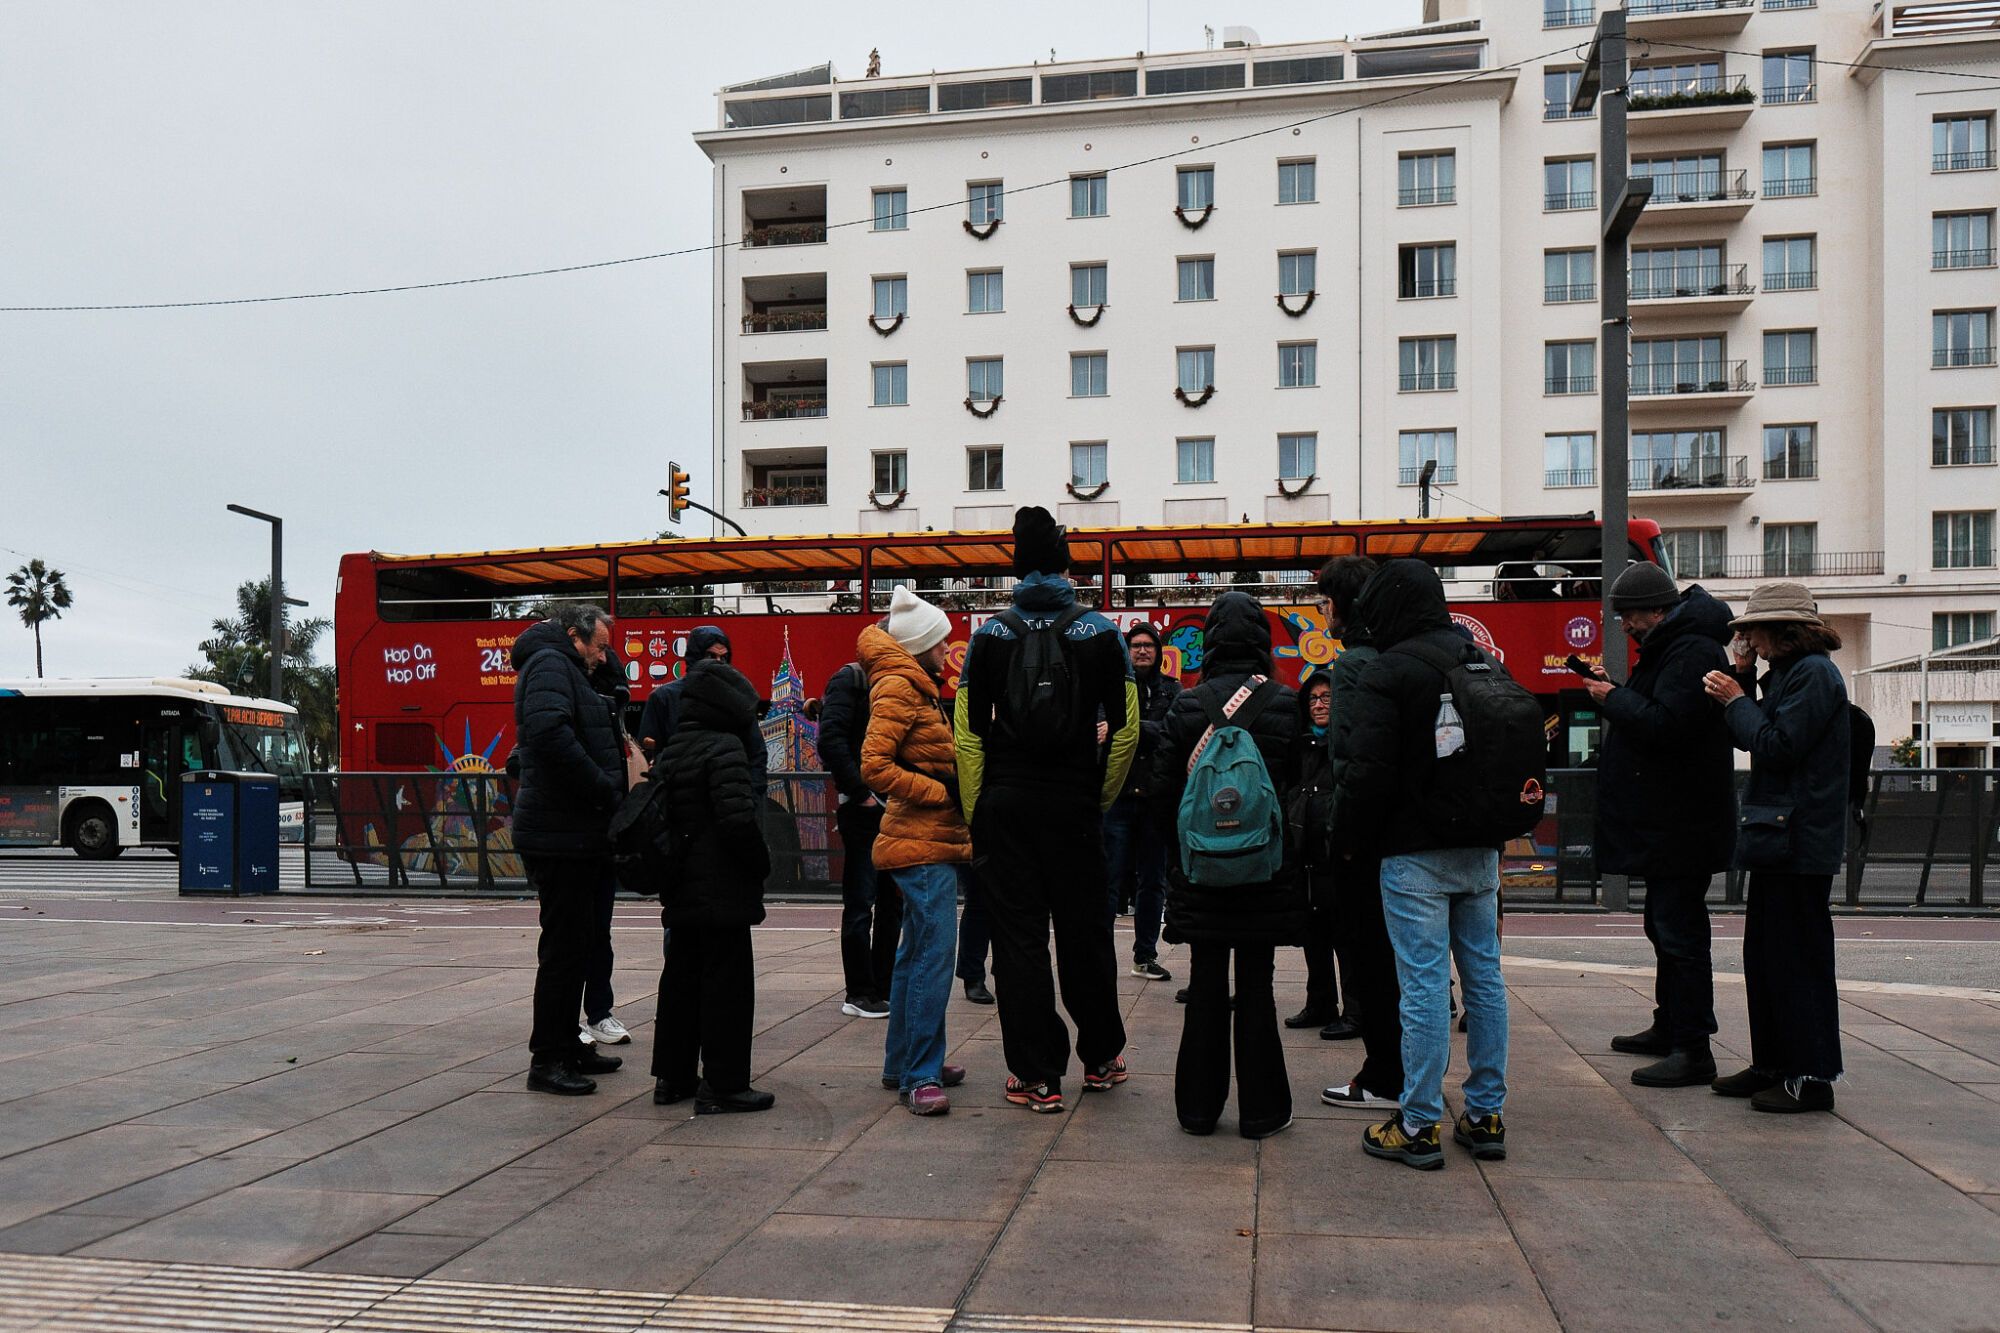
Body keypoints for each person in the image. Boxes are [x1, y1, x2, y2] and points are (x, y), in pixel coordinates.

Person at [954, 506, 1138, 1114]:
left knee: (1019, 940)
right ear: (1065, 567)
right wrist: (1098, 794)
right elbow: (1128, 729)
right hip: (1075, 804)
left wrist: (981, 808)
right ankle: (1103, 1057)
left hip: (1006, 804)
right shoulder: (1103, 632)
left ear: (1015, 566)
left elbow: (967, 734)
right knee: (1086, 934)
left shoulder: (988, 636)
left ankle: (1035, 1075)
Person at [1334, 558, 1509, 1170]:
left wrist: (1349, 840)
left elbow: (1369, 772)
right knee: (1484, 979)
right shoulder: (1482, 660)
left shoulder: (1390, 669)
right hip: (1482, 848)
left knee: (1424, 986)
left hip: (1414, 853)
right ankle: (1486, 1113)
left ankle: (1418, 1123)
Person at [1152, 591, 1305, 1138]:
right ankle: (1262, 1112)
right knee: (1257, 988)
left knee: (1207, 983)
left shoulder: (1189, 706)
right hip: (1265, 872)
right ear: (1262, 641)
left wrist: (1183, 859)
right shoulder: (1286, 703)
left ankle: (1197, 1110)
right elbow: (1297, 790)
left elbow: (1166, 791)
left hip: (1202, 874)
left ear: (1211, 641)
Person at [1584, 563, 1736, 1088]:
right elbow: (1661, 711)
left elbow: (1668, 726)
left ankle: (1693, 1048)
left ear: (1657, 609)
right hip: (1672, 823)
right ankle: (1669, 1026)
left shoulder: (1691, 650)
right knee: (1664, 927)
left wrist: (1613, 699)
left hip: (1681, 824)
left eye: (1628, 615)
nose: (1624, 626)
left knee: (1679, 934)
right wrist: (1619, 691)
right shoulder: (1674, 647)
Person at [1702, 583, 1849, 1114]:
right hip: (1780, 834)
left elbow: (1775, 745)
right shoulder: (1790, 674)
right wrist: (1742, 680)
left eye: (1753, 632)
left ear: (1783, 631)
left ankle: (1809, 1076)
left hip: (1800, 838)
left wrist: (1738, 699)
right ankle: (1773, 1063)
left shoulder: (1814, 674)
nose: (1749, 640)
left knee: (1797, 960)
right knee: (1765, 957)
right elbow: (1754, 735)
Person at [860, 588, 973, 1116]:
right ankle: (920, 1075)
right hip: (922, 841)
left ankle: (903, 1061)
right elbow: (875, 767)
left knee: (912, 956)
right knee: (933, 957)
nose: (947, 648)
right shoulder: (900, 688)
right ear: (921, 644)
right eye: (941, 640)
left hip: (923, 840)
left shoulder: (913, 687)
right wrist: (940, 792)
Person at [509, 606, 628, 1096]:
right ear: (575, 635)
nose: (604, 657)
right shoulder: (551, 666)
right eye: (599, 647)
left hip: (579, 834)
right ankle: (548, 1058)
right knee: (562, 951)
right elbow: (550, 735)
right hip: (560, 836)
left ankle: (569, 1044)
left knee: (580, 945)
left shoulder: (570, 668)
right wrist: (603, 788)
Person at [650, 658, 776, 1115]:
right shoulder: (725, 748)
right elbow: (738, 819)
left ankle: (673, 1076)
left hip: (681, 885)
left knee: (681, 981)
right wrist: (760, 863)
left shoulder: (674, 748)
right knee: (728, 986)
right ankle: (724, 1084)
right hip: (721, 887)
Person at [1314, 556, 1403, 1107]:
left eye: (1325, 602)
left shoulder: (1351, 667)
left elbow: (1348, 761)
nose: (1322, 611)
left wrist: (1341, 841)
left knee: (1368, 959)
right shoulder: (1402, 655)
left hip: (1366, 838)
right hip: (1411, 834)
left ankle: (1381, 1075)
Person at [820, 655, 899, 1019]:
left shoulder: (892, 679)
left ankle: (882, 987)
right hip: (864, 807)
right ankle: (860, 991)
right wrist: (861, 793)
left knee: (891, 903)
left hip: (889, 806)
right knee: (861, 901)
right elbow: (831, 740)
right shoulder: (850, 678)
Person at [1103, 620, 1181, 982]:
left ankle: (1145, 956)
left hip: (1155, 799)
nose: (1143, 651)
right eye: (1136, 645)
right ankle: (1098, 953)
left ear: (1159, 651)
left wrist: (1126, 729)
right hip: (1117, 796)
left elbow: (1173, 735)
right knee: (1108, 878)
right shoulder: (1109, 690)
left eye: (1149, 645)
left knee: (1153, 881)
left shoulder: (1173, 691)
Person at [1285, 673, 1353, 1036]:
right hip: (1306, 856)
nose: (1319, 704)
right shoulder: (1302, 746)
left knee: (1345, 936)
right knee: (1314, 934)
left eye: (1326, 697)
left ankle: (1356, 1011)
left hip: (1338, 855)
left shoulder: (1346, 745)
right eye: (1312, 699)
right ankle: (1320, 1003)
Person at [581, 648, 639, 1049]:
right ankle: (586, 1017)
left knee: (599, 931)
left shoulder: (614, 724)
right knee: (575, 935)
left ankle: (598, 1013)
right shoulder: (577, 712)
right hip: (575, 839)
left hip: (601, 839)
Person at [639, 625, 768, 790]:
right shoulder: (664, 697)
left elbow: (757, 753)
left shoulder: (738, 699)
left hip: (727, 796)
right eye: (711, 656)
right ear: (696, 657)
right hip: (682, 796)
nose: (718, 663)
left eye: (723, 658)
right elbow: (651, 747)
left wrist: (754, 797)